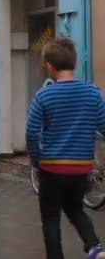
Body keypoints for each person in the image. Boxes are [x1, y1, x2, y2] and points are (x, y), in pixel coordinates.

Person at [25, 38, 105, 259]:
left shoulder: (43, 96)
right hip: (80, 170)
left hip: (51, 169)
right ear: (75, 64)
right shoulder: (92, 94)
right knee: (75, 209)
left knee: (50, 219)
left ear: (49, 65)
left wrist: (36, 159)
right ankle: (94, 246)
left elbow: (31, 133)